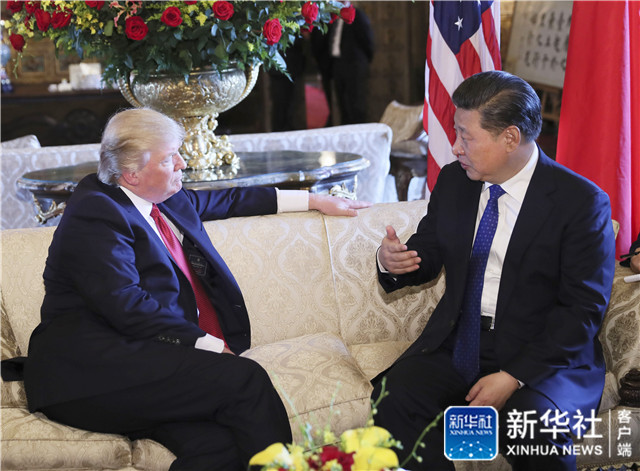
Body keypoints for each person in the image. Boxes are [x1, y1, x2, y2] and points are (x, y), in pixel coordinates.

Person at [18, 108, 370, 471]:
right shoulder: (95, 212)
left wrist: (314, 200)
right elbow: (127, 305)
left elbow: (229, 200)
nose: (182, 164)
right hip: (85, 375)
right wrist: (210, 345)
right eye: (170, 158)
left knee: (219, 447)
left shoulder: (163, 197)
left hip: (142, 365)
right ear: (132, 173)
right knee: (244, 379)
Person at [372, 71, 615, 470]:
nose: (455, 147)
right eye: (456, 132)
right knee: (394, 397)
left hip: (544, 353)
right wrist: (393, 261)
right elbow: (428, 250)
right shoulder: (455, 181)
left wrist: (514, 376)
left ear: (510, 138)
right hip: (462, 341)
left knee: (531, 425)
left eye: (466, 137)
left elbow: (582, 311)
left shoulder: (581, 203)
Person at [312, 3, 374, 125]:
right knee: (342, 105)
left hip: (354, 66)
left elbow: (368, 42)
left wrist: (360, 62)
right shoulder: (332, 16)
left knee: (356, 105)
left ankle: (358, 132)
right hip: (337, 64)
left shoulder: (357, 15)